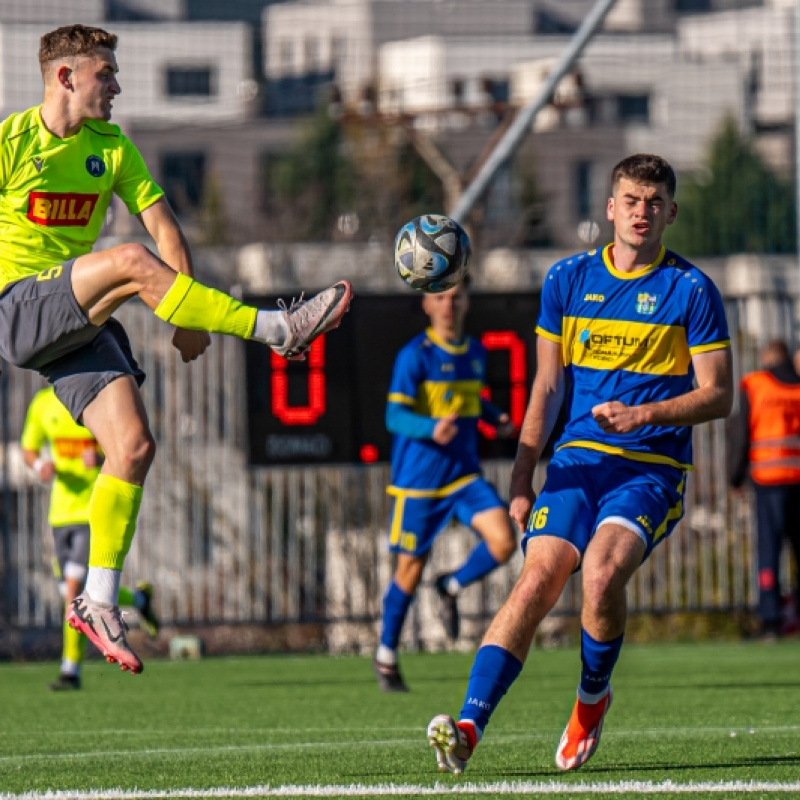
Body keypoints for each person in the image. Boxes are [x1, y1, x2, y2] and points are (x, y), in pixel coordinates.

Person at [0, 24, 352, 676]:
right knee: (130, 259)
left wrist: (187, 311)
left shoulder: (112, 147)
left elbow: (164, 224)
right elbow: (141, 250)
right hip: (19, 306)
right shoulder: (10, 141)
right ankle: (278, 330)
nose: (117, 84)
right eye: (105, 73)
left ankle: (99, 601)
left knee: (134, 448)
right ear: (65, 78)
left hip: (77, 321)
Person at [426, 153, 733, 773]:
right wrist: (520, 477)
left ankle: (591, 698)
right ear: (610, 208)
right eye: (631, 200)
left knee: (598, 577)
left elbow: (719, 395)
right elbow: (544, 388)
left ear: (670, 212)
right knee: (536, 580)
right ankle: (467, 728)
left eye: (654, 203)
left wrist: (643, 417)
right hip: (575, 461)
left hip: (649, 468)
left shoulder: (692, 290)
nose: (641, 212)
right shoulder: (567, 279)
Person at [373, 276, 517, 692]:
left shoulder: (474, 352)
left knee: (505, 540)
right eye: (440, 297)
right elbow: (394, 418)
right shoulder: (413, 357)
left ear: (467, 301)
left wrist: (496, 418)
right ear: (427, 305)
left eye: (455, 297)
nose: (449, 305)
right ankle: (386, 655)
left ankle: (450, 585)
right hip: (419, 484)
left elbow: (473, 400)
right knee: (408, 571)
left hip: (463, 476)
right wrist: (431, 427)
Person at [22, 386, 161, 690]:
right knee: (70, 594)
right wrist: (39, 465)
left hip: (93, 512)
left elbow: (125, 444)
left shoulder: (95, 394)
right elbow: (28, 447)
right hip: (60, 514)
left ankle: (70, 670)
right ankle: (138, 599)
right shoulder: (43, 404)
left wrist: (99, 455)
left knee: (73, 593)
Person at [728, 339, 800, 640]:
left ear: (766, 358)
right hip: (798, 480)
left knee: (768, 552)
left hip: (768, 479)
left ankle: (770, 620)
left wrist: (735, 477)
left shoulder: (755, 384)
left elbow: (741, 432)